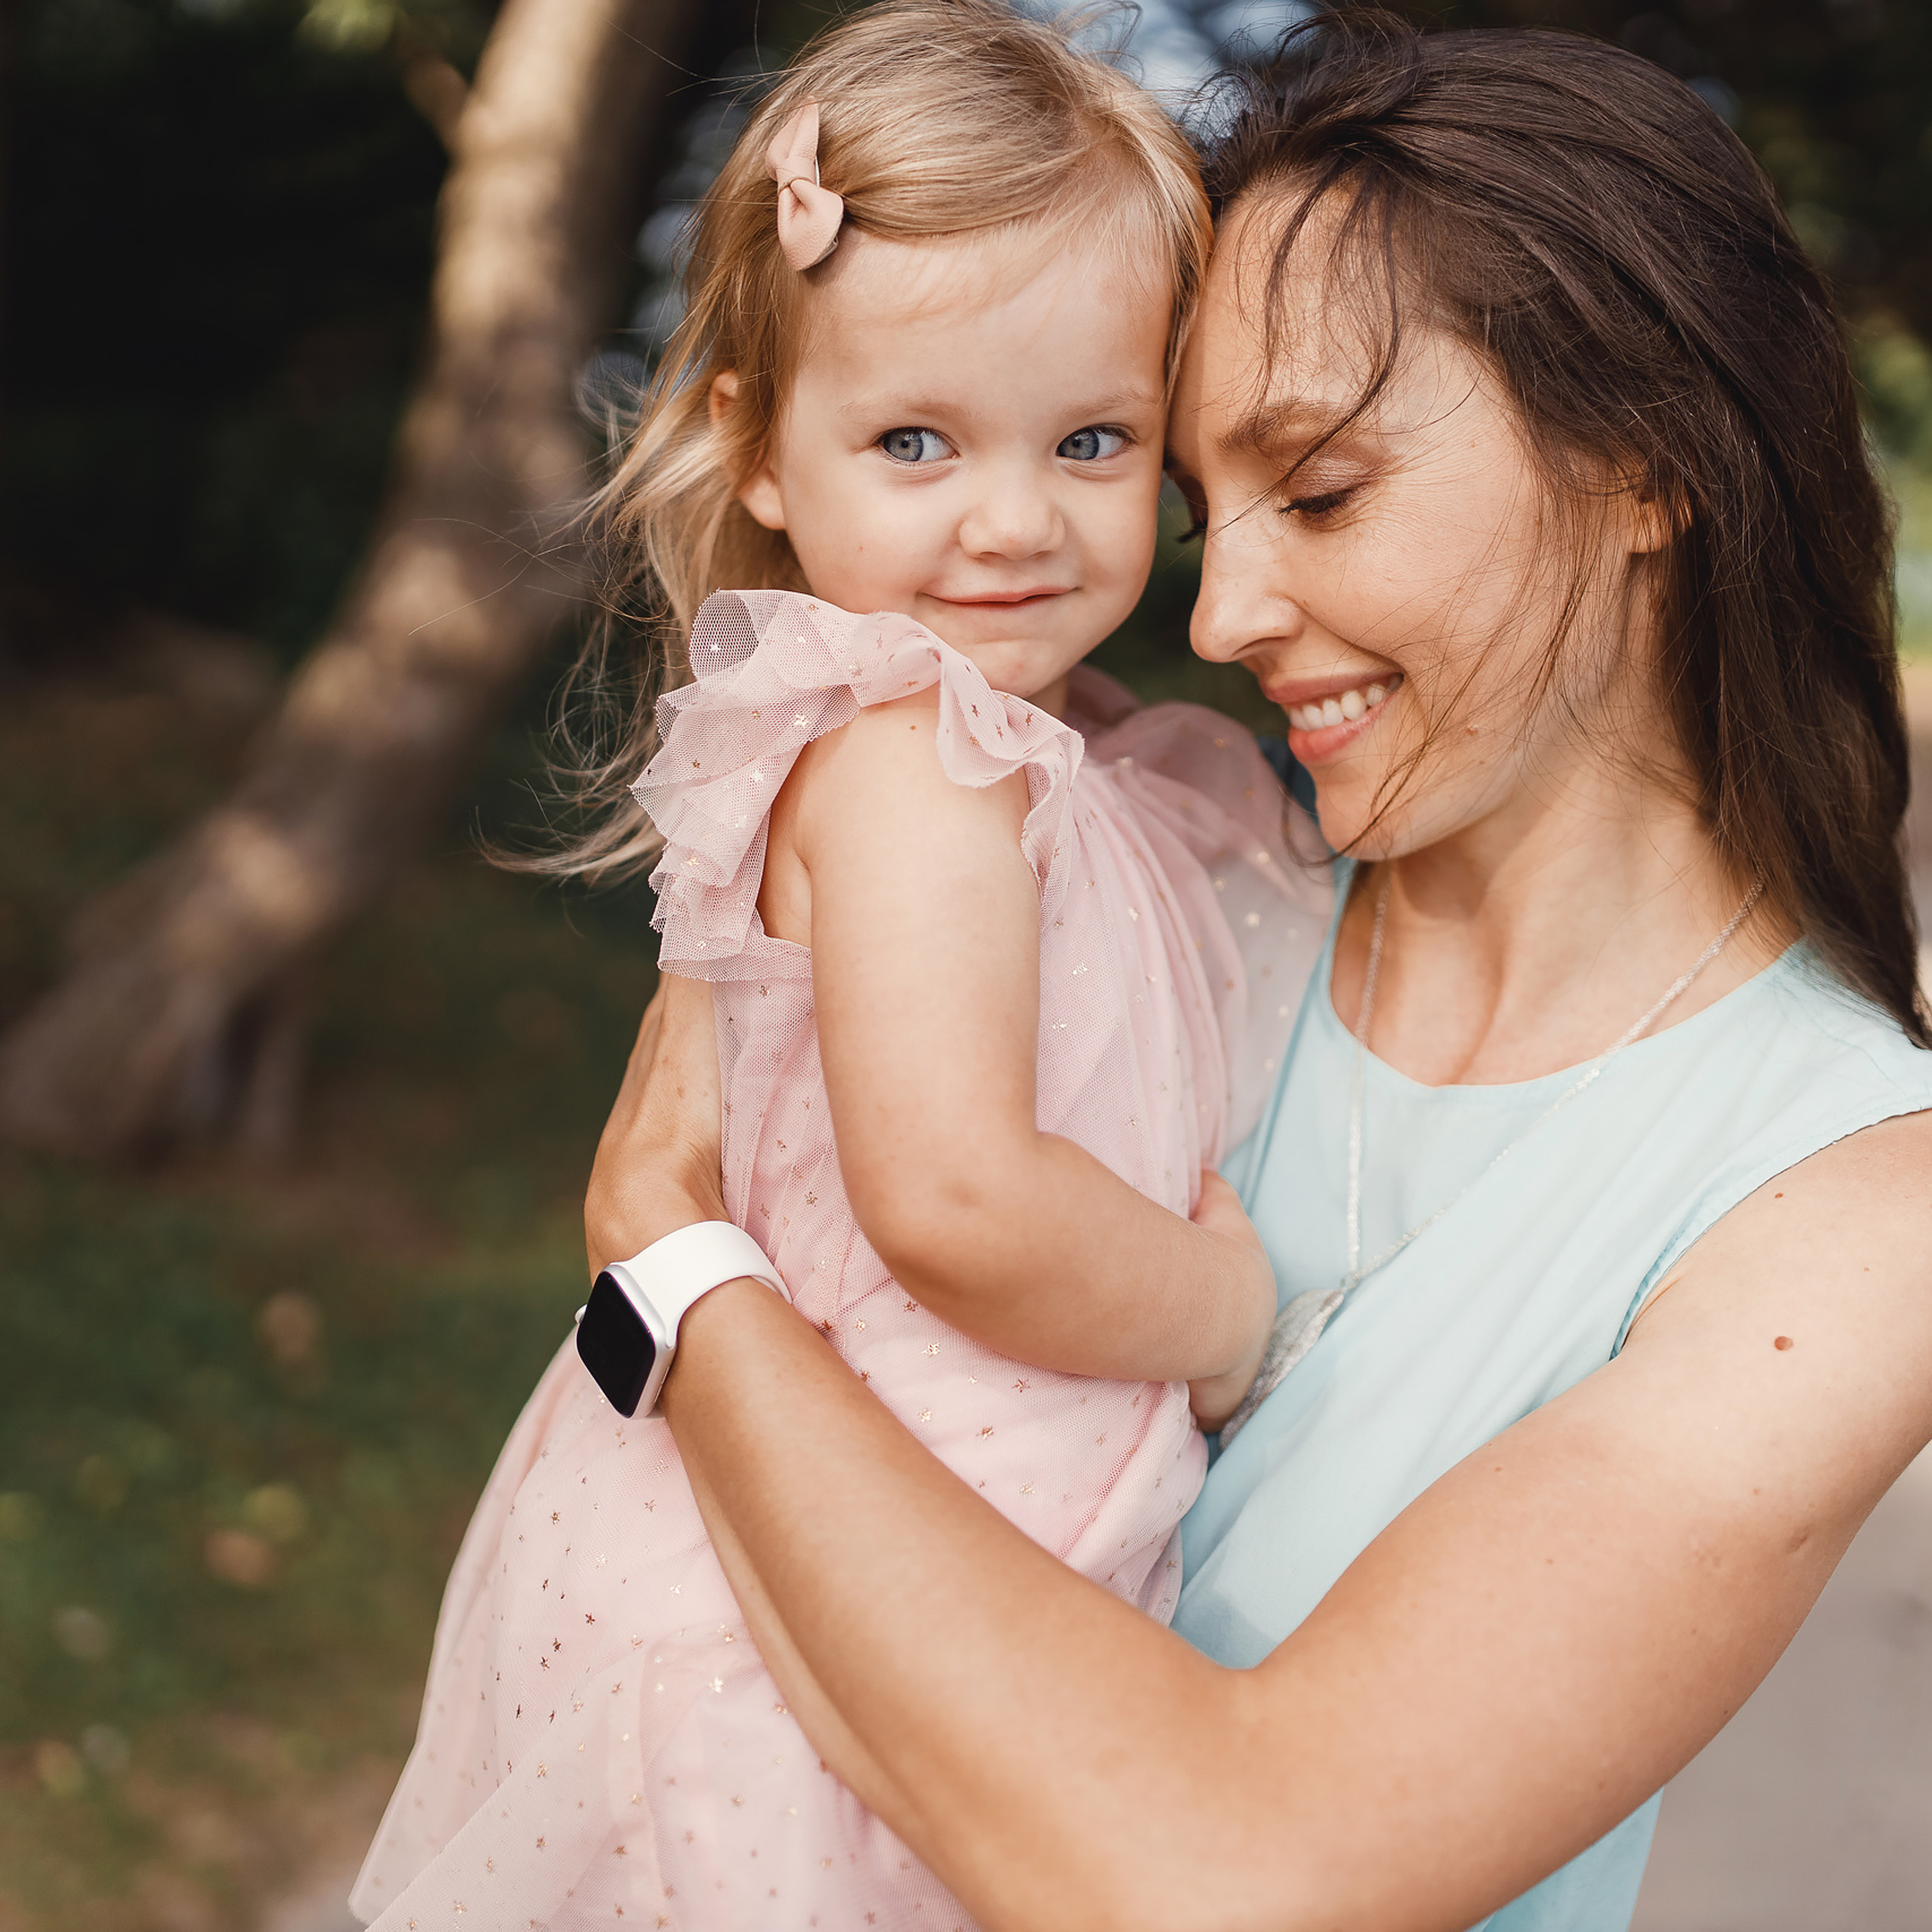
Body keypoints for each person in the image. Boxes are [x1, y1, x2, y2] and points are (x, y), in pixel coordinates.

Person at [583, 14, 1932, 1932]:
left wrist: (670, 1270)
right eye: (1207, 515)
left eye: (1320, 493)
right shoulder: (1155, 877)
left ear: (1646, 461)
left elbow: (1220, 1875)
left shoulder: (1856, 1206)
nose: (1214, 614)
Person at [349, 7, 1333, 1927]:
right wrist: (1223, 1315)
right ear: (758, 451)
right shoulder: (904, 757)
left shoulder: (1053, 760)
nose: (1010, 516)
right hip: (833, 1573)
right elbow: (958, 1196)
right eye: (912, 438)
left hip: (927, 1520)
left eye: (1089, 439)